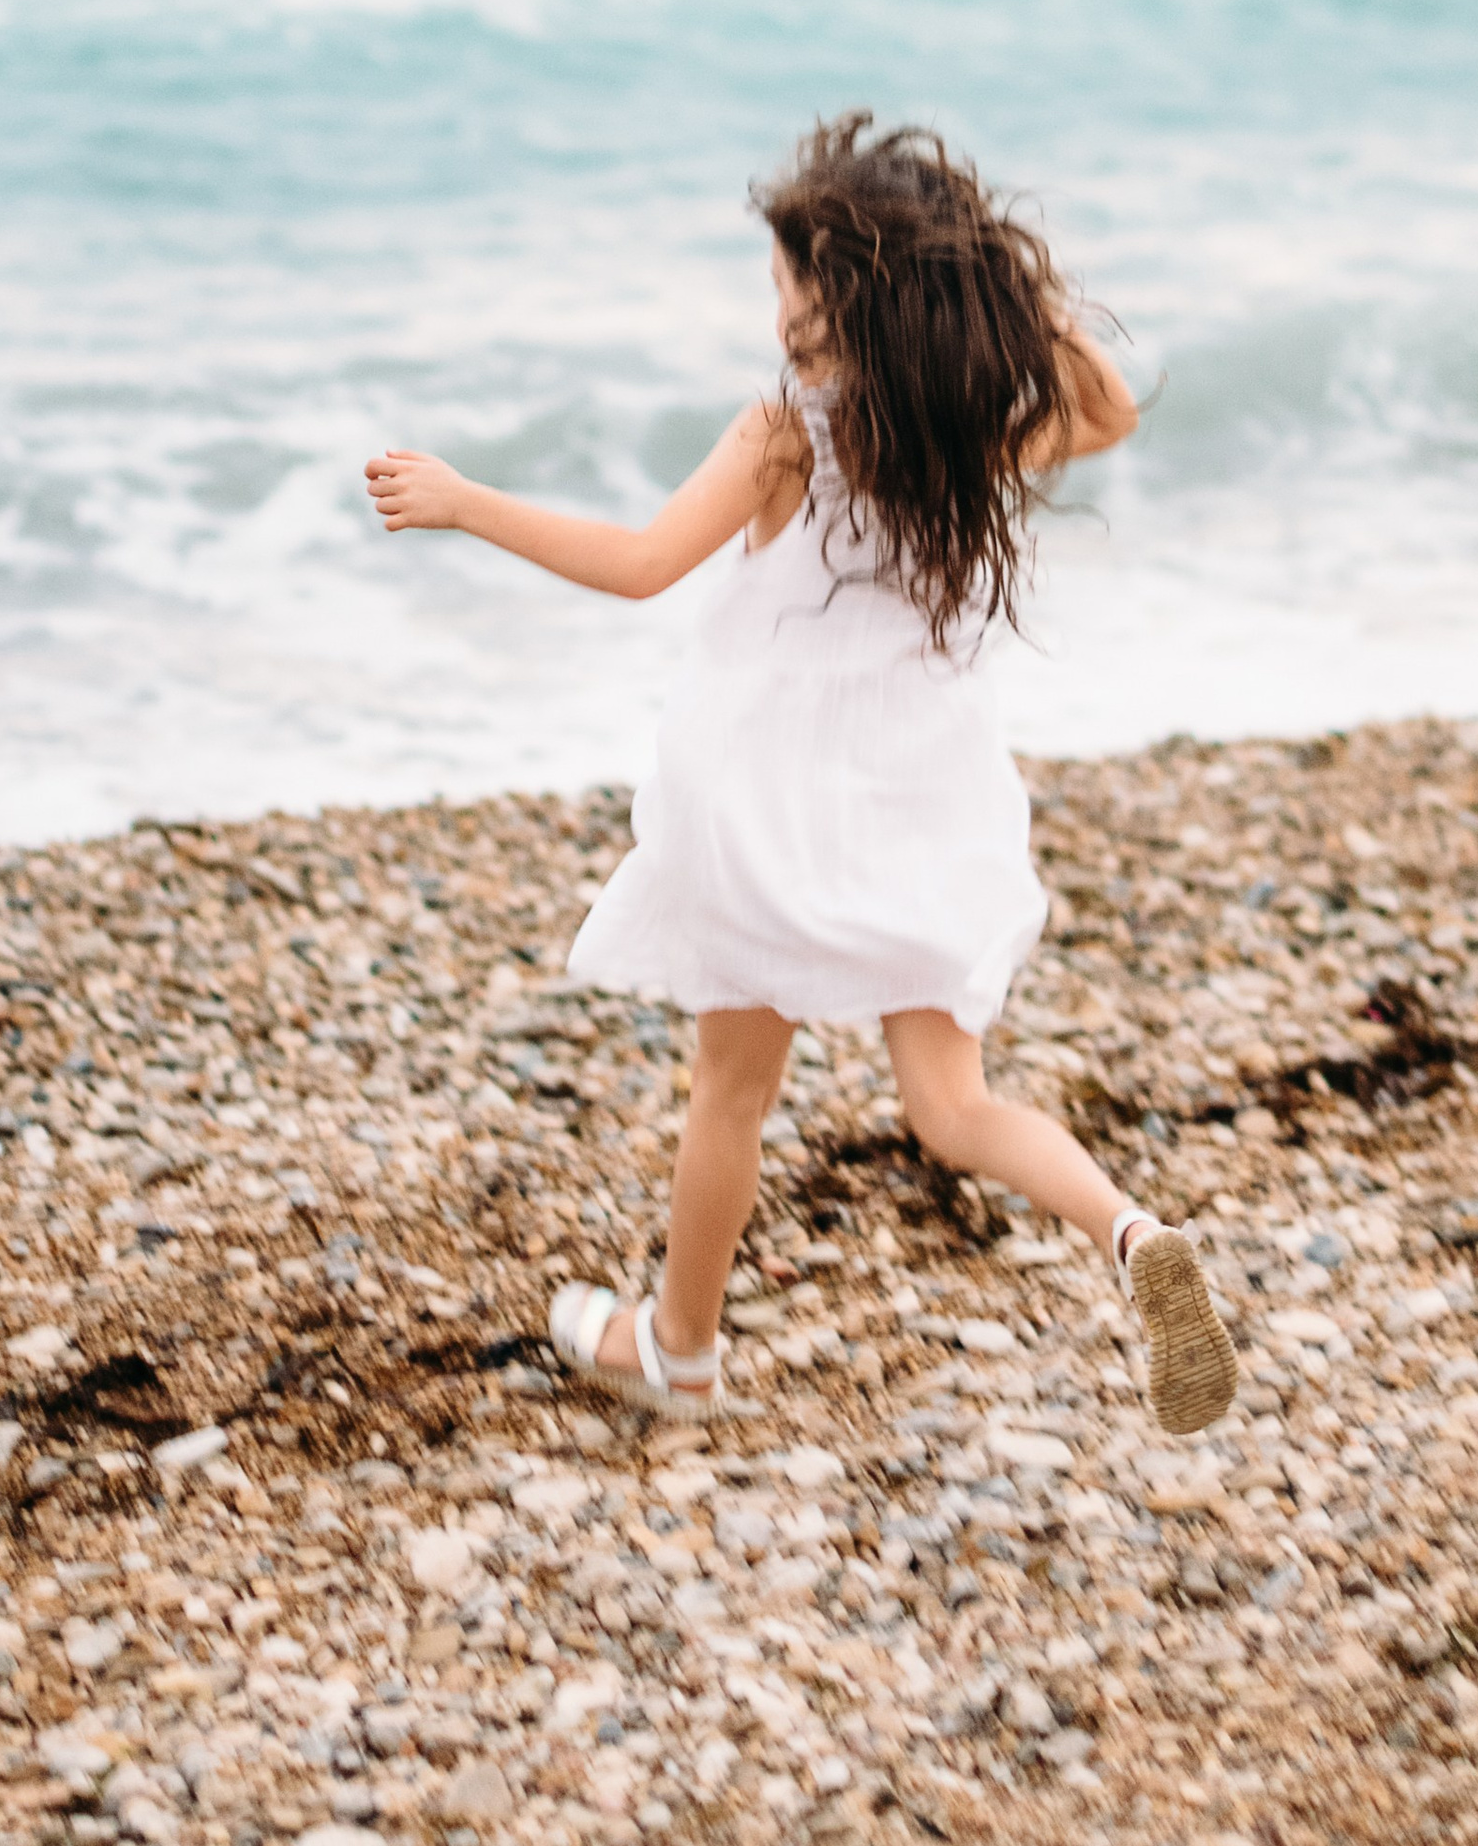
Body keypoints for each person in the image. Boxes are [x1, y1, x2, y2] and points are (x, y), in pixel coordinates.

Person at [363, 113, 1236, 1435]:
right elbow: (1107, 404)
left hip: (766, 805)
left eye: (786, 281)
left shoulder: (788, 434)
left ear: (835, 299)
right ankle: (1131, 1232)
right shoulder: (957, 433)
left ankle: (683, 1353)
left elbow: (641, 562)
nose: (773, 308)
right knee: (953, 1108)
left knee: (732, 1093)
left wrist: (465, 500)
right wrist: (1001, 290)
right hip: (924, 797)